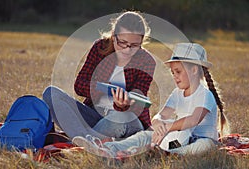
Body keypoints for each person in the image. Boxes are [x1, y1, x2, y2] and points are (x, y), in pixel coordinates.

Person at [72, 43, 230, 158]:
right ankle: (109, 147)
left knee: (201, 146)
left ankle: (167, 154)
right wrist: (159, 123)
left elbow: (193, 120)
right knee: (145, 135)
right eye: (172, 72)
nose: (174, 76)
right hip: (179, 137)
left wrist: (168, 127)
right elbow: (161, 115)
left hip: (201, 139)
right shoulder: (177, 93)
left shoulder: (205, 95)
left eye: (178, 71)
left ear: (194, 70)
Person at [42, 11, 156, 140]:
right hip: (95, 115)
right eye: (122, 42)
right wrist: (103, 89)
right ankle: (90, 139)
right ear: (114, 36)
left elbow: (139, 101)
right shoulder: (99, 48)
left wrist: (122, 105)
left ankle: (79, 138)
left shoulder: (147, 61)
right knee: (51, 93)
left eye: (134, 45)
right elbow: (79, 85)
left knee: (118, 118)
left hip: (126, 119)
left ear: (141, 41)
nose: (127, 49)